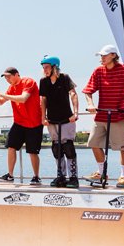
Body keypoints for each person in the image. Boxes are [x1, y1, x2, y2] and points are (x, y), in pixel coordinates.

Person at [82, 45, 124, 188]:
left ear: (113, 55)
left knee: (122, 147)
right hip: (101, 115)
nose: (101, 58)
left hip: (119, 115)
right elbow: (88, 91)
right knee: (93, 143)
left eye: (104, 55)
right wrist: (90, 103)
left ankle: (123, 177)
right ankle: (101, 173)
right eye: (100, 56)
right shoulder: (98, 71)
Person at [0, 67, 43, 184]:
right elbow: (0, 103)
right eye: (5, 77)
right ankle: (10, 175)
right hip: (19, 122)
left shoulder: (28, 82)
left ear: (17, 75)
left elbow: (23, 99)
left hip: (34, 122)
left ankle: (36, 177)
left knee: (32, 151)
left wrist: (3, 95)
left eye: (9, 76)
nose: (7, 79)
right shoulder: (11, 88)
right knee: (11, 146)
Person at [38, 55, 80, 188]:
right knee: (56, 148)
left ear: (54, 67)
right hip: (52, 120)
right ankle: (60, 176)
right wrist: (43, 117)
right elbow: (43, 100)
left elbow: (73, 94)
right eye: (43, 68)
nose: (45, 70)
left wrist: (75, 113)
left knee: (68, 147)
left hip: (67, 119)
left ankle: (73, 178)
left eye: (47, 67)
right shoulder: (43, 81)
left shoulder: (65, 78)